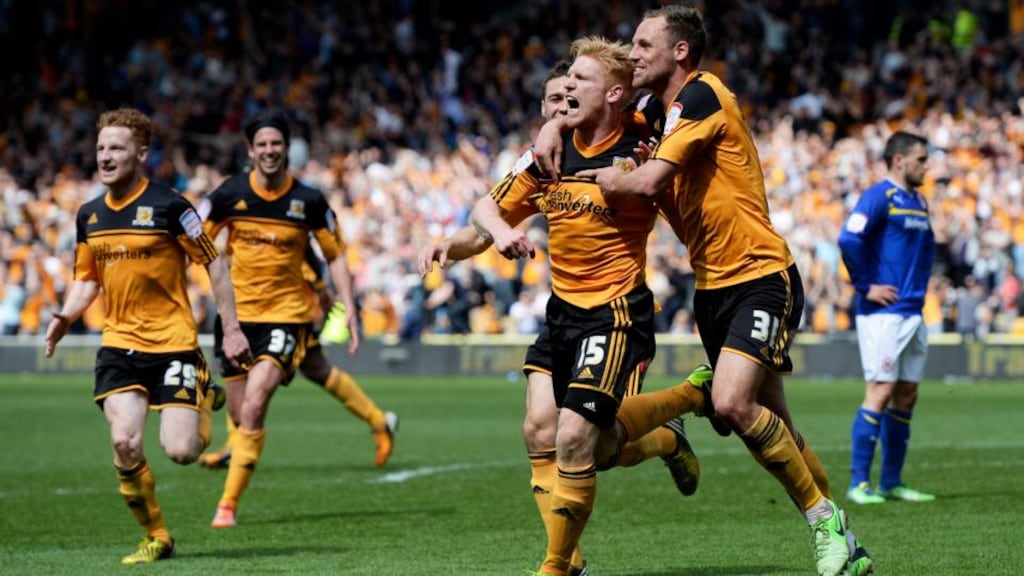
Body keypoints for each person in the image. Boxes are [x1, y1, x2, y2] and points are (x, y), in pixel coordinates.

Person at [535, 7, 871, 576]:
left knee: (733, 402)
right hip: (712, 286)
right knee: (775, 425)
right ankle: (837, 526)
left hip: (760, 273)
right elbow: (589, 111)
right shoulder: (650, 112)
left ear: (680, 51)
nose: (633, 52)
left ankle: (824, 523)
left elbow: (648, 180)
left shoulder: (702, 95)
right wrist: (552, 125)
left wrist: (616, 179)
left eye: (644, 44)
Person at [419, 60, 702, 576]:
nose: (561, 103)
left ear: (611, 94)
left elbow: (665, 115)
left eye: (572, 92)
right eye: (554, 98)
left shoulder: (642, 137)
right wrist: (452, 247)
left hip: (616, 313)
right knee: (543, 432)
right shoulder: (547, 153)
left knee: (577, 439)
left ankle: (555, 566)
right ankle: (664, 441)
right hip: (561, 316)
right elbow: (487, 218)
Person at [43, 107, 251, 564]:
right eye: (100, 147)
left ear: (141, 153)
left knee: (181, 451)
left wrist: (231, 329)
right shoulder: (89, 215)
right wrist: (68, 314)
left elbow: (214, 262)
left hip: (174, 344)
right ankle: (158, 536)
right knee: (124, 442)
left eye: (116, 147)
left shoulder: (171, 207)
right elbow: (86, 279)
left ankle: (201, 389)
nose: (105, 155)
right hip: (118, 345)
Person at [201, 108, 363, 528]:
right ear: (250, 151)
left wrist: (349, 308)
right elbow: (197, 243)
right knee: (238, 416)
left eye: (276, 143)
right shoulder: (227, 196)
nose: (269, 151)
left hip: (285, 318)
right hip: (236, 320)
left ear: (287, 148)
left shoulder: (308, 201)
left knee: (254, 407)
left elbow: (336, 256)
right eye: (262, 145)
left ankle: (227, 506)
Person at [198, 243, 399, 471]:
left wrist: (319, 293)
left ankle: (379, 421)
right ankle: (379, 421)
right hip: (261, 306)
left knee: (308, 367)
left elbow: (304, 257)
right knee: (306, 367)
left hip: (288, 309)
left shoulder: (284, 220)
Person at [839, 131, 936, 505]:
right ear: (899, 160)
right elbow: (849, 239)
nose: (926, 166)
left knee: (906, 395)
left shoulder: (918, 201)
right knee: (879, 391)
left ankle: (891, 482)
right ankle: (859, 483)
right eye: (921, 159)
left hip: (913, 311)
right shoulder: (879, 196)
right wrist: (866, 286)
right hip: (884, 314)